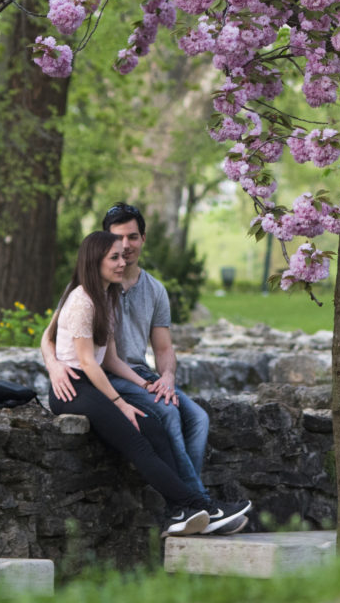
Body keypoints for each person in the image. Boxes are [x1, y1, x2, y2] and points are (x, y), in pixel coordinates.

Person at [40, 232, 249, 538]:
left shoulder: (107, 297)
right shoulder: (81, 301)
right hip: (74, 389)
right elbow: (86, 363)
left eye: (123, 256)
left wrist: (145, 383)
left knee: (153, 428)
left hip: (94, 381)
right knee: (137, 439)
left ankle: (179, 512)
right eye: (114, 257)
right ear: (94, 261)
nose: (122, 262)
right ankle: (195, 505)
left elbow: (109, 360)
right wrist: (120, 404)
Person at [96, 202, 243, 535]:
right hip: (109, 377)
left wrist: (167, 377)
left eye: (133, 237)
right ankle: (195, 504)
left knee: (199, 418)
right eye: (118, 238)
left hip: (141, 374)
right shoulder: (96, 284)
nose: (126, 245)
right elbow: (95, 353)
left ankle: (189, 511)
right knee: (170, 412)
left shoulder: (154, 290)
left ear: (143, 238)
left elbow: (163, 349)